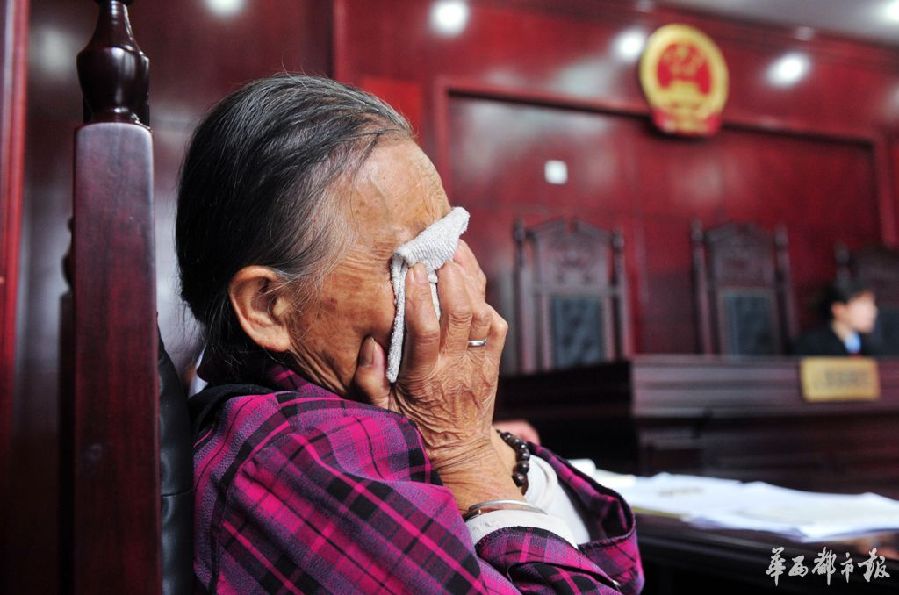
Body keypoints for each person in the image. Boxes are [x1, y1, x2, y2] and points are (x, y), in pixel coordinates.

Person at [177, 74, 642, 593]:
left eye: (448, 248)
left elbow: (618, 560)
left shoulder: (378, 414)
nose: (454, 292)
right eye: (413, 263)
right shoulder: (295, 452)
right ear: (269, 307)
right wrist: (464, 452)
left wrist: (479, 445)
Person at [792, 278, 880, 356]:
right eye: (864, 304)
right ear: (839, 309)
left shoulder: (873, 345)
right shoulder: (811, 345)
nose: (872, 311)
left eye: (872, 304)